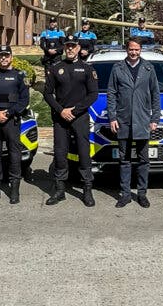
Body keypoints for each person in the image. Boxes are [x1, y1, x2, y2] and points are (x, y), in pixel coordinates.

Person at [43, 37, 98, 207]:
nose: (70, 49)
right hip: (61, 118)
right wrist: (61, 110)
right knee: (60, 154)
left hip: (79, 117)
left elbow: (93, 94)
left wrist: (74, 111)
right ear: (64, 48)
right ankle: (60, 190)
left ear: (78, 48)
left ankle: (87, 190)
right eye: (68, 46)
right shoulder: (55, 68)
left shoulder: (88, 69)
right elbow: (47, 93)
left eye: (73, 47)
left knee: (83, 153)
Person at [106, 38, 161, 208]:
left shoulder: (148, 68)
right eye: (131, 49)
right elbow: (111, 93)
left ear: (141, 50)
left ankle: (142, 193)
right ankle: (125, 194)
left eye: (137, 50)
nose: (134, 52)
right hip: (123, 120)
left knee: (144, 160)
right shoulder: (117, 68)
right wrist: (112, 117)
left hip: (143, 120)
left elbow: (155, 94)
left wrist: (155, 119)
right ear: (126, 50)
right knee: (124, 160)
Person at [0, 45, 30, 205]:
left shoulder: (19, 76)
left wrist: (8, 113)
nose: (3, 58)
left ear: (11, 57)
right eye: (1, 55)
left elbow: (24, 100)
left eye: (6, 55)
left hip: (11, 121)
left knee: (14, 156)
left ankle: (14, 190)